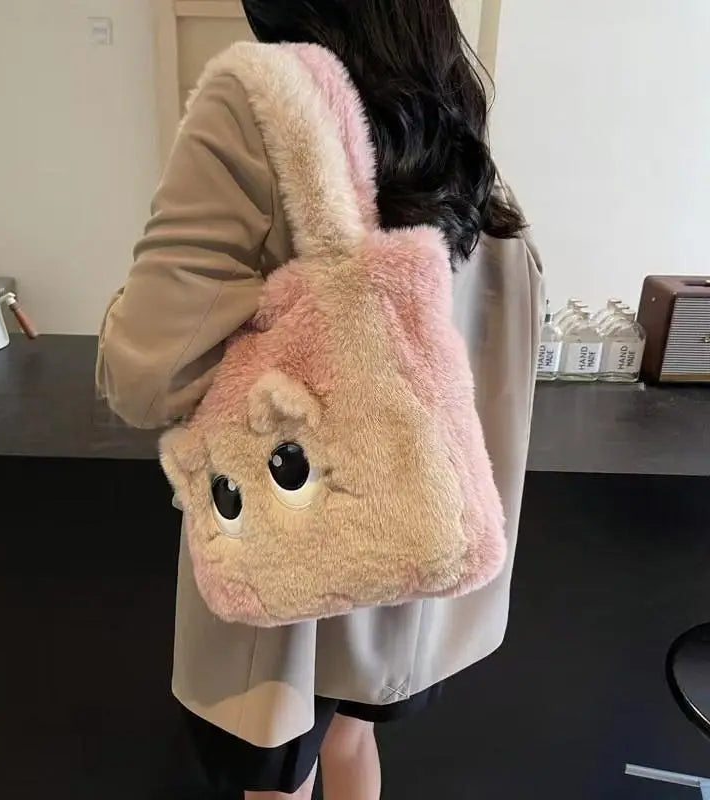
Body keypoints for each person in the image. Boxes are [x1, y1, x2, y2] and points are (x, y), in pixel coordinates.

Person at [96, 1, 542, 797]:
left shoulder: (258, 101)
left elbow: (142, 373)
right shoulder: (446, 117)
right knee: (350, 740)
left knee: (277, 777)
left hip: (293, 538)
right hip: (411, 535)